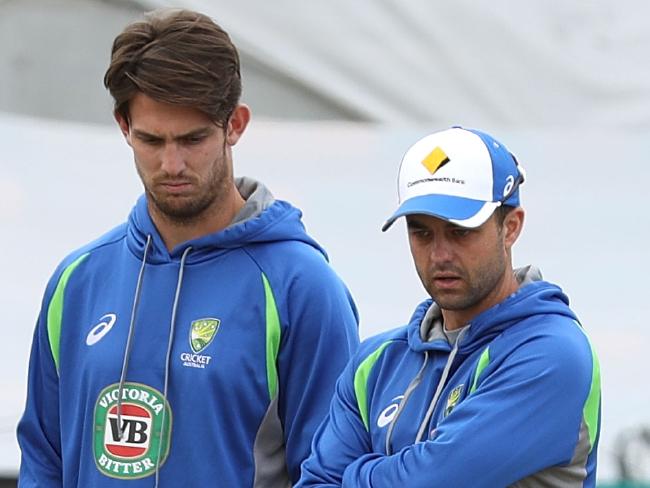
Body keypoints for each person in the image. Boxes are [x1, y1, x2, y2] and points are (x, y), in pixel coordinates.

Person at [17, 9, 359, 487]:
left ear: (235, 124)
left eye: (193, 139)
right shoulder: (77, 281)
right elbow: (43, 463)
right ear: (123, 127)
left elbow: (331, 473)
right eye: (151, 140)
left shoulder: (301, 289)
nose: (171, 164)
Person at [298, 127, 601, 487]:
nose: (440, 255)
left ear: (511, 227)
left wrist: (354, 474)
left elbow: (428, 483)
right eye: (421, 232)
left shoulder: (552, 354)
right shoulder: (375, 362)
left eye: (460, 231)